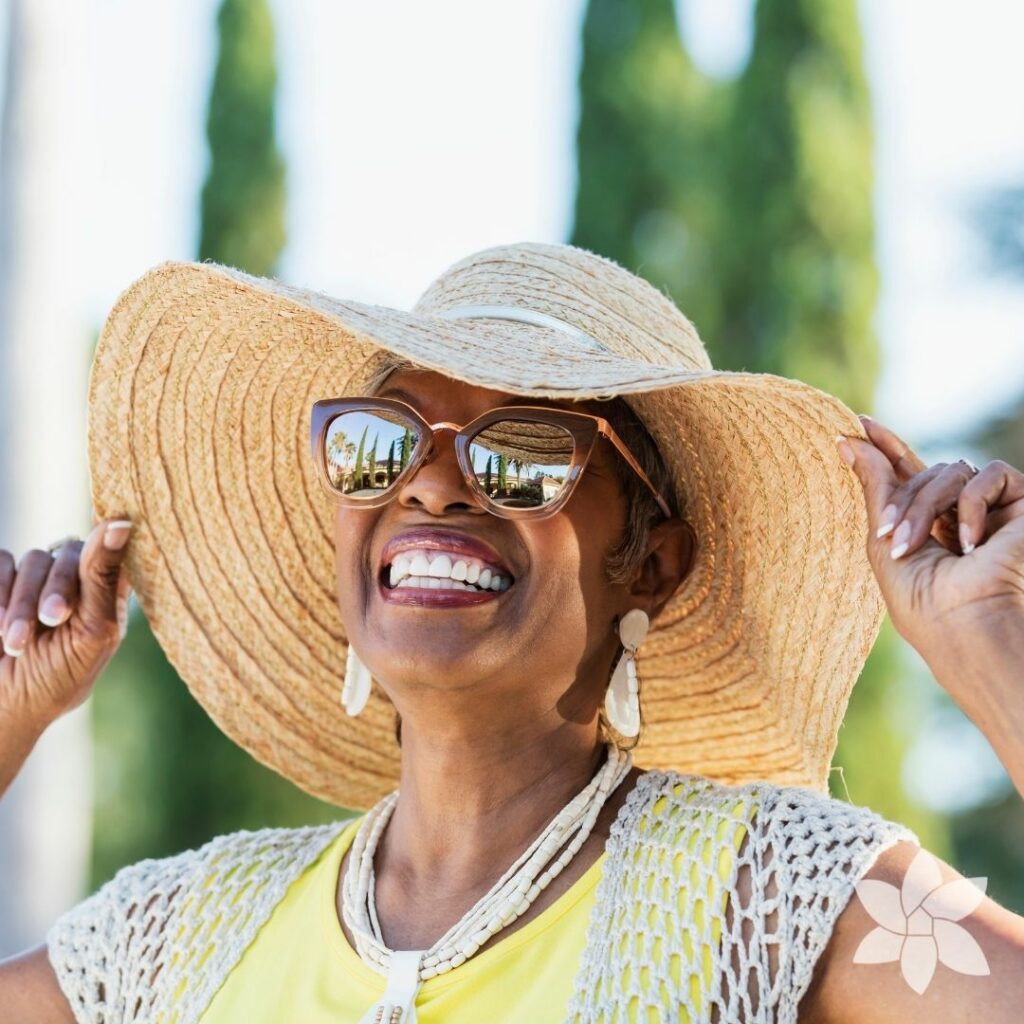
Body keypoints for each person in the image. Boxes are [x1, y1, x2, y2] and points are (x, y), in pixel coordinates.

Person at [1, 241, 1023, 1023]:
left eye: (525, 452)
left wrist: (988, 646)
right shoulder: (173, 937)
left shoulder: (780, 894)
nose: (433, 483)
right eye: (379, 443)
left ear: (652, 563)